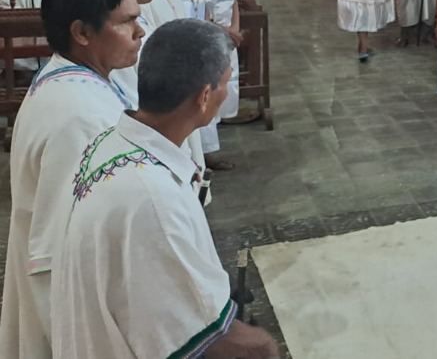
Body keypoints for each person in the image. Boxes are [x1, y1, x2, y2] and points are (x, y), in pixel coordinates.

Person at [51, 19, 279, 358]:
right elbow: (203, 336)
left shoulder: (108, 142)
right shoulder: (155, 197)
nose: (227, 93)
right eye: (226, 82)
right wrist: (263, 345)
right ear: (204, 96)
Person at [0, 0, 144, 359]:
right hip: (74, 318)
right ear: (82, 33)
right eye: (128, 21)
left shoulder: (72, 78)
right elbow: (64, 247)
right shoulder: (80, 116)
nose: (140, 32)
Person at [186, 0, 243, 138]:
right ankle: (207, 144)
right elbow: (197, 8)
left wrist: (235, 29)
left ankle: (219, 131)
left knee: (226, 81)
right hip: (208, 35)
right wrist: (225, 32)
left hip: (229, 35)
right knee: (209, 84)